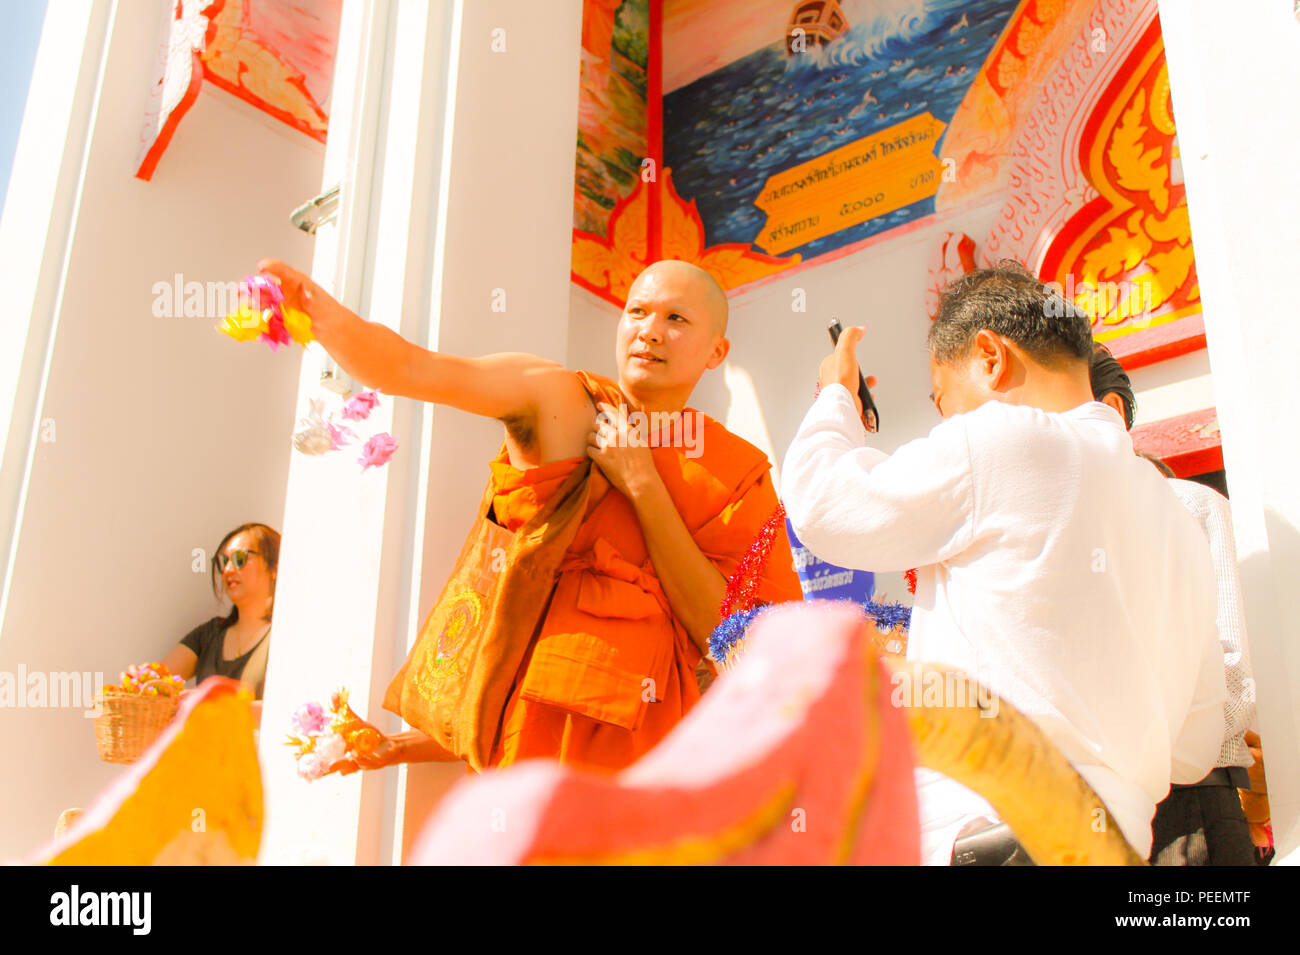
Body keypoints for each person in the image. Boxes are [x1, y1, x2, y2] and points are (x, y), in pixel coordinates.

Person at [257, 257, 802, 775]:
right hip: (521, 764)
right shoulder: (563, 401)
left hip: (651, 759)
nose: (650, 331)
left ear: (716, 351)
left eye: (676, 318)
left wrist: (644, 486)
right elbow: (413, 367)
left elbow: (736, 637)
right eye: (637, 311)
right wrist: (321, 315)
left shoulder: (735, 472)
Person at [781, 261, 1226, 864]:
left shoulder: (1002, 439)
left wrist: (835, 393)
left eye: (944, 404)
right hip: (1119, 838)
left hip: (997, 827)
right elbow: (1195, 745)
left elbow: (825, 505)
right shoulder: (1172, 507)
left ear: (990, 356)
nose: (947, 425)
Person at [1091, 344, 1258, 865]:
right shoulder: (1048, 525)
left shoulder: (1193, 507)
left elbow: (1233, 669)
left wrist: (1161, 754)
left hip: (1189, 801)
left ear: (1111, 411)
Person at [161, 523, 278, 713]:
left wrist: (213, 704)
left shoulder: (285, 635)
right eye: (223, 561)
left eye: (240, 559)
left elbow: (288, 712)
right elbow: (158, 680)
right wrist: (139, 678)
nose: (228, 570)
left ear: (274, 567)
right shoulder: (209, 635)